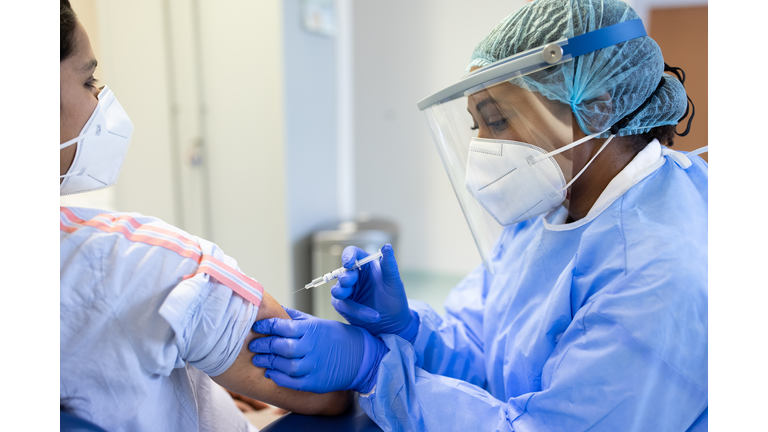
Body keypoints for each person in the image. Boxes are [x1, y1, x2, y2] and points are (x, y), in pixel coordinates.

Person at [249, 0, 708, 431]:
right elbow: (489, 354)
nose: (484, 148)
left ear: (597, 107)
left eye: (497, 119)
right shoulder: (554, 205)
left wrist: (374, 372)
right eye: (476, 125)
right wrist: (408, 327)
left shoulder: (657, 273)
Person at [58, 1, 350, 430]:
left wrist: (206, 383)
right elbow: (330, 391)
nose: (101, 100)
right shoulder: (134, 263)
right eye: (89, 80)